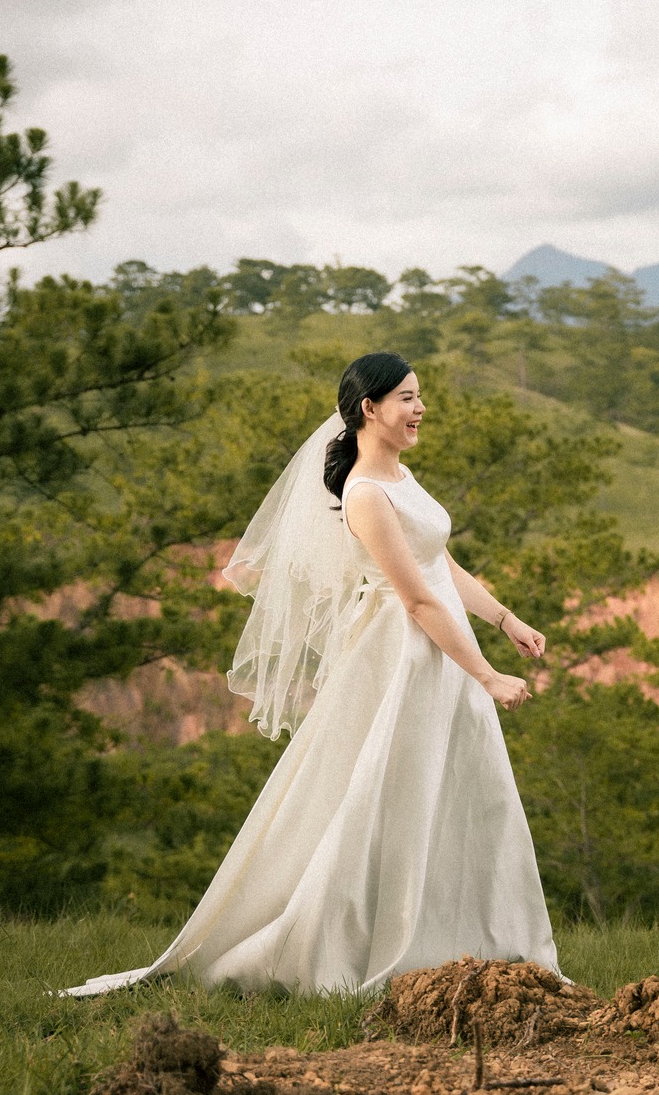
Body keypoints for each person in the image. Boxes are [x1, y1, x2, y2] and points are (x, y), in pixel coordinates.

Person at [62, 353, 558, 996]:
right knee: (386, 794)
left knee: (459, 791)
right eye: (407, 398)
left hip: (447, 651)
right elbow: (416, 600)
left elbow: (440, 564)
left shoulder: (401, 477)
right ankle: (360, 940)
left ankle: (477, 938)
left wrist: (504, 618)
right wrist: (488, 677)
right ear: (369, 409)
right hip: (405, 656)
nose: (420, 409)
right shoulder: (364, 493)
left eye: (419, 397)